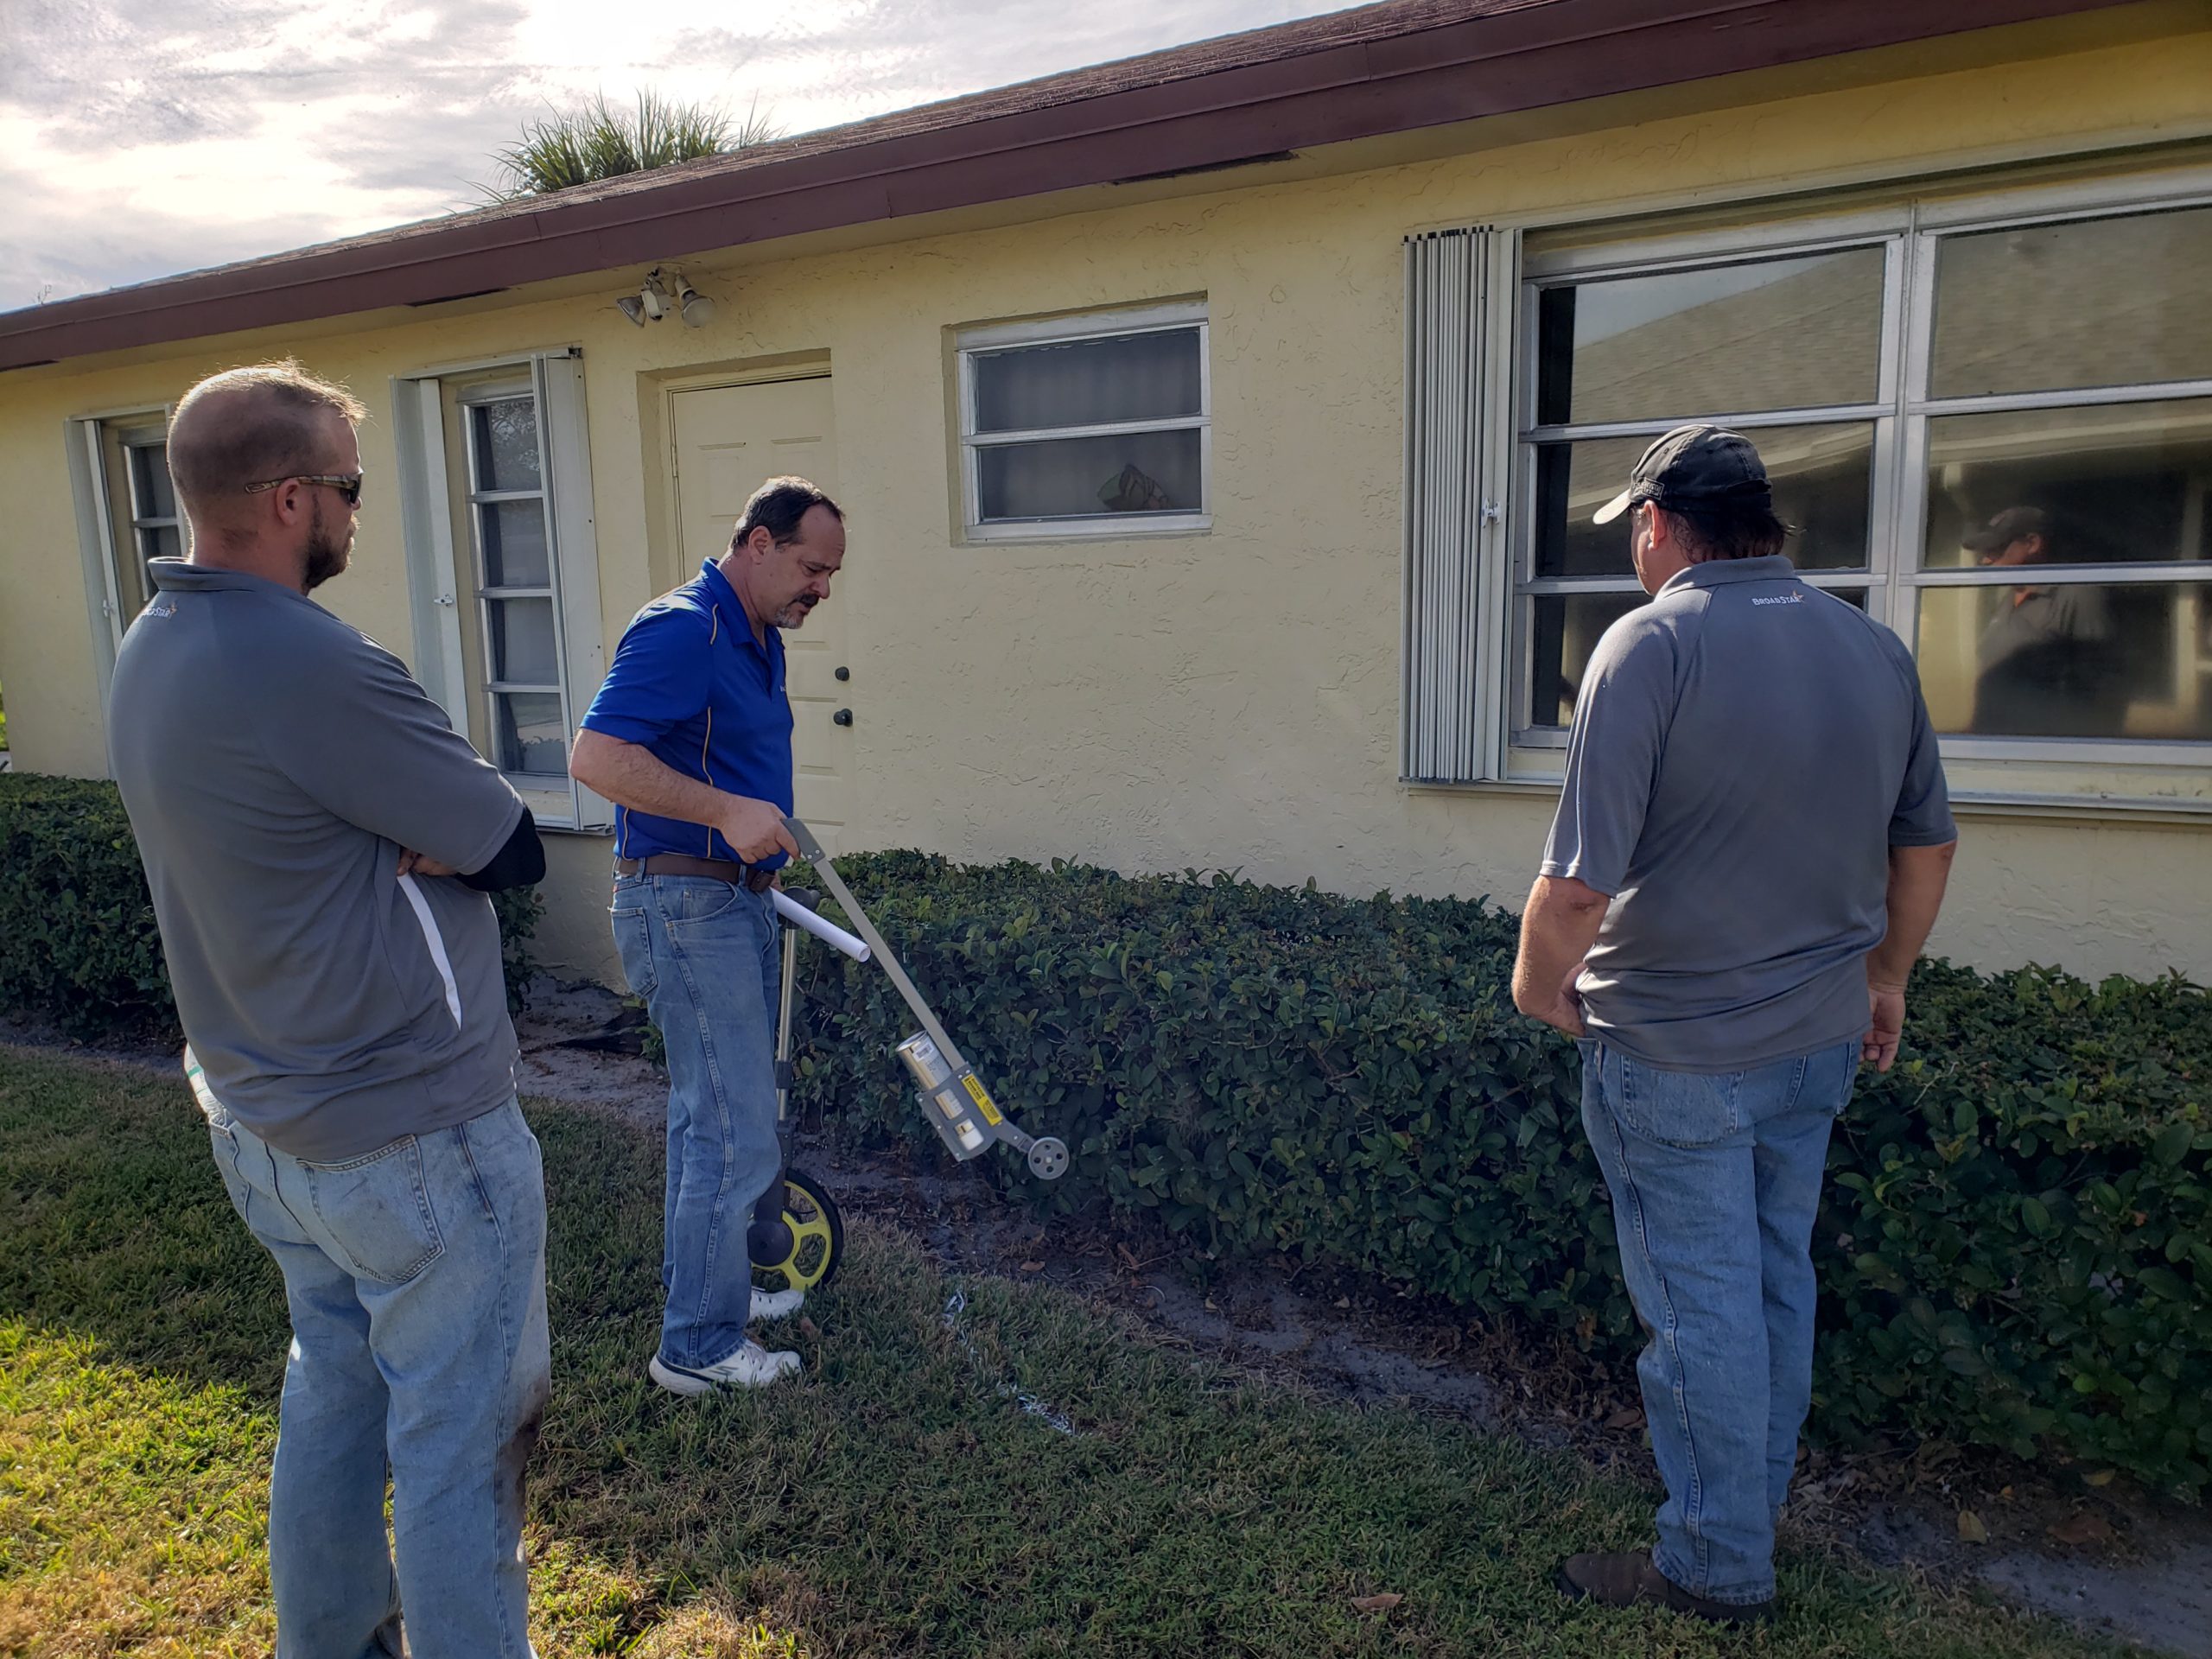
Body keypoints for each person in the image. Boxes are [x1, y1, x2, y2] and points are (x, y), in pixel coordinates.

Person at [107, 361, 552, 1658]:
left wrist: (407, 838)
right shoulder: (314, 660)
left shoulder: (153, 643)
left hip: (264, 1125)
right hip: (411, 1133)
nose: (358, 516)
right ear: (293, 497)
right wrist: (428, 836)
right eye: (350, 491)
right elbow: (511, 844)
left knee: (336, 1399)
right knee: (462, 1447)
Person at [1510, 425, 1957, 1624]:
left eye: (1635, 535)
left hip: (1677, 1055)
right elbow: (1925, 844)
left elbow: (1577, 887)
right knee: (1769, 1290)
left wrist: (1534, 984)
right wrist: (1889, 979)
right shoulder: (1872, 647)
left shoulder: (1650, 644)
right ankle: (1743, 1518)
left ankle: (1715, 1566)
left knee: (1701, 1312)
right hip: (1813, 1045)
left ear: (1660, 525)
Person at [569, 475, 845, 1396]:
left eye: (832, 574)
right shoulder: (685, 627)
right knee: (730, 1132)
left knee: (714, 1124)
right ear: (757, 544)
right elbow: (597, 757)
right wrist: (726, 810)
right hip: (685, 909)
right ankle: (695, 1347)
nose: (823, 589)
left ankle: (713, 1297)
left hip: (733, 905)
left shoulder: (755, 635)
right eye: (812, 567)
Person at [1963, 506, 2128, 737]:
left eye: (1996, 549)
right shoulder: (2009, 598)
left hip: (2040, 751)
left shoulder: (2078, 596)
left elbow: (2103, 689)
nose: (1985, 560)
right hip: (1995, 748)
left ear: (2032, 544)